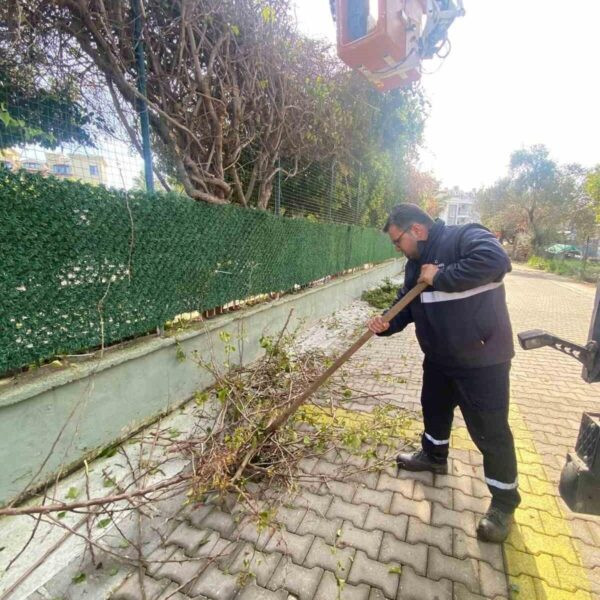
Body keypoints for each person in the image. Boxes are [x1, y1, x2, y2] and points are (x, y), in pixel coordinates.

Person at [367, 203, 520, 543]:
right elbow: (406, 304)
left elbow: (496, 261)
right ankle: (434, 456)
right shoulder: (413, 265)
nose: (397, 248)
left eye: (397, 241)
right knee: (434, 411)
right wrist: (385, 323)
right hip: (439, 359)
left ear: (416, 231)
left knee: (490, 432)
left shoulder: (464, 237)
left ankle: (504, 502)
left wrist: (440, 277)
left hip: (483, 362)